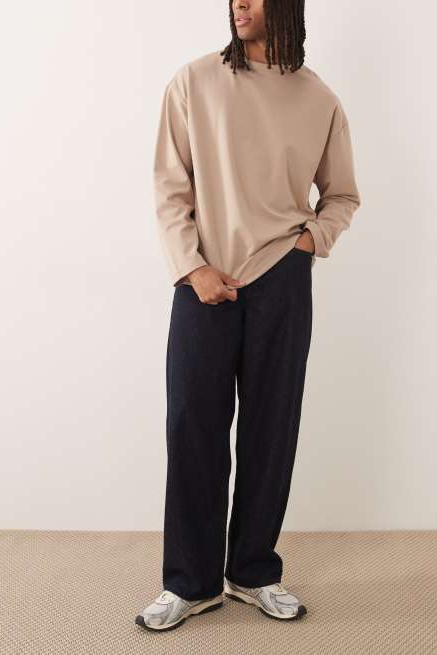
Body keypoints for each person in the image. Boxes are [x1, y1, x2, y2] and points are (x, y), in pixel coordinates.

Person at [135, 0, 360, 632]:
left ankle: (254, 571)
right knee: (193, 427)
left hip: (282, 279)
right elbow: (170, 187)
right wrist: (192, 267)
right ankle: (190, 582)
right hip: (203, 280)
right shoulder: (194, 81)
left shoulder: (319, 98)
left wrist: (310, 242)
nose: (240, 2)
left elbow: (342, 194)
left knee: (271, 428)